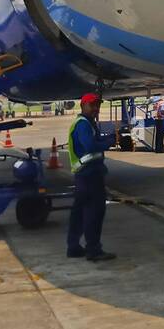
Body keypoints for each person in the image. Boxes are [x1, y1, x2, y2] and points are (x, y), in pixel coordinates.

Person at [66, 93, 117, 261]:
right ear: (83, 106)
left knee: (79, 213)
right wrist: (108, 143)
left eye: (97, 105)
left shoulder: (85, 123)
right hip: (90, 176)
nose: (96, 108)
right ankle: (93, 250)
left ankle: (73, 247)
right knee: (94, 214)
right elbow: (89, 146)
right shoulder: (83, 124)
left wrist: (105, 139)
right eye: (92, 105)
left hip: (83, 176)